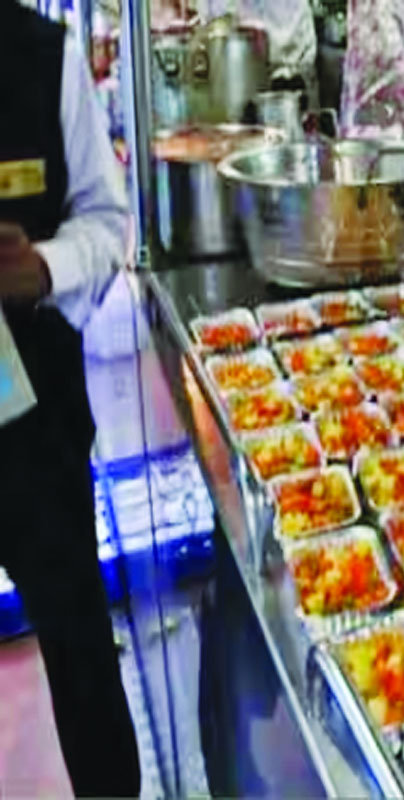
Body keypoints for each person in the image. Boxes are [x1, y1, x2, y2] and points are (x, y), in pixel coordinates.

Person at [0, 2, 140, 795]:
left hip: (38, 433)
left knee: (83, 666)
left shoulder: (42, 55)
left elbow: (107, 219)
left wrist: (45, 267)